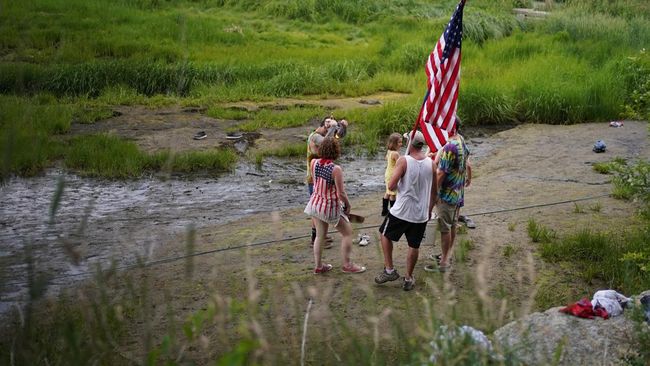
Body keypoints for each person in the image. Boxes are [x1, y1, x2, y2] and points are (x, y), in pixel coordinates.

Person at [375, 130, 436, 291]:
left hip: (401, 211)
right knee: (413, 245)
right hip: (421, 213)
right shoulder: (432, 163)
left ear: (410, 143)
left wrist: (399, 175)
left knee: (384, 234)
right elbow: (434, 191)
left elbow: (391, 186)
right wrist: (429, 210)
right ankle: (408, 277)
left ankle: (389, 270)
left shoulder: (404, 161)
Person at [304, 137, 366, 274]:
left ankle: (318, 266)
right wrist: (348, 205)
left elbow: (315, 183)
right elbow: (341, 193)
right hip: (328, 206)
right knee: (347, 233)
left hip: (315, 203)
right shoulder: (335, 169)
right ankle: (347, 265)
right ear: (336, 151)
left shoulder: (313, 162)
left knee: (320, 236)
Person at [426, 121, 471, 273]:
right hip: (458, 191)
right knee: (452, 224)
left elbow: (440, 172)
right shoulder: (461, 139)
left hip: (447, 194)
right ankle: (448, 255)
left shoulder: (450, 146)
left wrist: (433, 193)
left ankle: (444, 262)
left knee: (445, 227)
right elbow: (466, 160)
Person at [306, 116, 348, 248]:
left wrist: (342, 127)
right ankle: (316, 238)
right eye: (329, 128)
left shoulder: (325, 135)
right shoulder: (314, 137)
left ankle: (320, 235)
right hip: (315, 177)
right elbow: (327, 142)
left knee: (321, 207)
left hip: (321, 174)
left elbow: (336, 138)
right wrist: (333, 127)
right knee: (317, 209)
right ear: (325, 126)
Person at [382, 133, 403, 216]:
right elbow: (400, 163)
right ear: (394, 143)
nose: (401, 144)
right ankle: (393, 212)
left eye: (401, 142)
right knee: (393, 194)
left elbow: (386, 158)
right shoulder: (396, 154)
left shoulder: (389, 151)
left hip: (387, 173)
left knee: (387, 192)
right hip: (392, 174)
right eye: (399, 142)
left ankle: (384, 210)